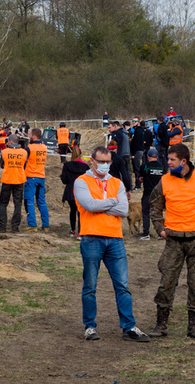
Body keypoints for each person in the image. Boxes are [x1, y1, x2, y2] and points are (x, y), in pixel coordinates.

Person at [74, 146, 150, 342]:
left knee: (122, 286)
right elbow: (89, 205)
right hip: (91, 238)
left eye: (108, 162)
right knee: (90, 285)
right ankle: (90, 326)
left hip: (115, 239)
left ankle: (129, 326)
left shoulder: (117, 182)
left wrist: (101, 206)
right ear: (92, 161)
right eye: (101, 161)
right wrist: (112, 203)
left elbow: (124, 210)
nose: (105, 165)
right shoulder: (81, 182)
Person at [148, 143, 195, 340]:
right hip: (172, 239)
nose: (168, 162)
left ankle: (194, 326)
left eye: (171, 159)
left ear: (183, 161)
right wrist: (160, 229)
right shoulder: (164, 180)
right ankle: (161, 325)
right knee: (166, 282)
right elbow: (154, 206)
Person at [0, 134, 28, 233]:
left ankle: (2, 226)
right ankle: (15, 227)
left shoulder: (4, 151)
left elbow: (2, 165)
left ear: (10, 141)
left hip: (7, 179)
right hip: (19, 180)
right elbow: (24, 165)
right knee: (18, 204)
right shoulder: (24, 152)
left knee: (3, 203)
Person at [60, 145, 90, 237]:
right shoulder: (85, 167)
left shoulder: (67, 165)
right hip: (81, 191)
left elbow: (64, 180)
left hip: (70, 191)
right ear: (80, 155)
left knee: (72, 210)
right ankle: (80, 232)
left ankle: (72, 230)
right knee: (81, 212)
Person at [24, 128, 50, 232]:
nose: (29, 136)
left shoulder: (29, 148)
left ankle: (32, 224)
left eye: (30, 134)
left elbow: (24, 161)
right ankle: (46, 225)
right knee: (42, 201)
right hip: (41, 176)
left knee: (29, 201)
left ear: (33, 136)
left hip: (31, 177)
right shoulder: (44, 147)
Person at [137, 149, 164, 240]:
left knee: (146, 213)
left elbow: (140, 178)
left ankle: (146, 234)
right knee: (158, 213)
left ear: (148, 156)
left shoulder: (145, 166)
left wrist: (142, 179)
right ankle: (161, 233)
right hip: (159, 194)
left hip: (148, 193)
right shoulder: (161, 166)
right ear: (157, 157)